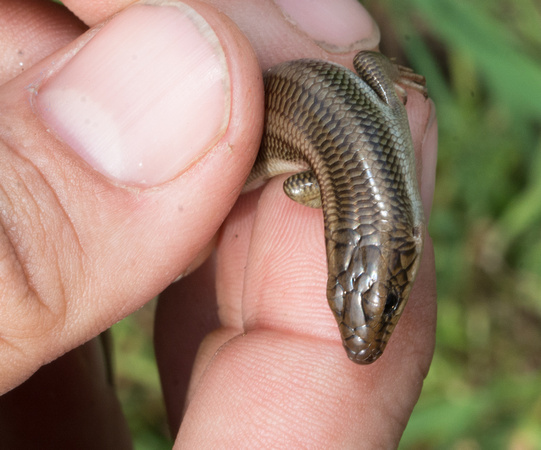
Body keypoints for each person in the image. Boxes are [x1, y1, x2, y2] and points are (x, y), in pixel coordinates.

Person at [0, 0, 437, 447]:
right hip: (237, 142)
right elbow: (299, 181)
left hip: (268, 114)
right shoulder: (393, 139)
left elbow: (367, 65)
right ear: (408, 239)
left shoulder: (390, 128)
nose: (364, 342)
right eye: (389, 302)